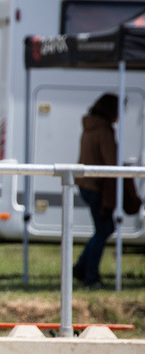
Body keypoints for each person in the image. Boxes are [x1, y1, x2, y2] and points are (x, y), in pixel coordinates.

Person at [73, 93, 119, 290]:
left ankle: (81, 269)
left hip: (85, 185)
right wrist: (110, 201)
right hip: (97, 187)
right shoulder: (104, 131)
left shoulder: (89, 127)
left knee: (103, 229)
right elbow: (112, 167)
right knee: (103, 230)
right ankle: (89, 275)